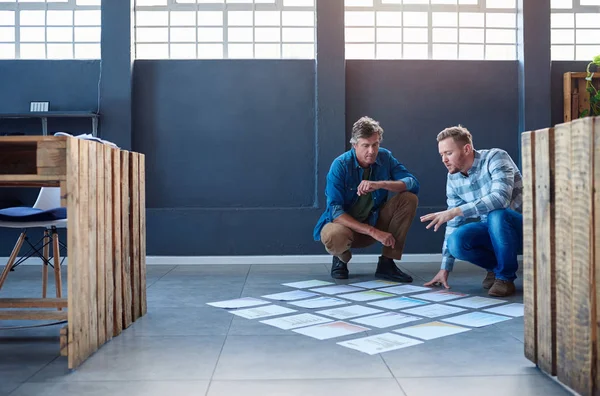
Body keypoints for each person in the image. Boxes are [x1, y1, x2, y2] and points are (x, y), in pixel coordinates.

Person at [420, 125, 523, 297]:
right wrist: (444, 268)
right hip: (493, 231)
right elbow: (452, 222)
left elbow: (500, 199)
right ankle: (495, 269)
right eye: (442, 154)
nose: (444, 159)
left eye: (448, 153)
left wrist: (455, 211)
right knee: (456, 241)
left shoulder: (496, 157)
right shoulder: (453, 178)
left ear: (466, 149)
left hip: (522, 227)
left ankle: (505, 278)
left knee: (496, 213)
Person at [313, 116, 420, 281]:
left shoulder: (385, 158)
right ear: (354, 145)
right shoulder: (340, 165)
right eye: (366, 145)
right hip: (348, 229)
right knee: (332, 234)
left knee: (409, 198)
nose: (372, 151)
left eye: (375, 144)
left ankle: (387, 263)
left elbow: (412, 183)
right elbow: (335, 211)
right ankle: (340, 258)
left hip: (375, 220)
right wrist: (373, 232)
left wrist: (381, 184)